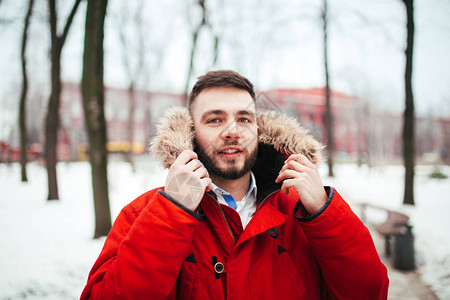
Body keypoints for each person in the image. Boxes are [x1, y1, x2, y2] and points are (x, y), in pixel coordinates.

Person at [81, 70, 389, 300]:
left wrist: (324, 212)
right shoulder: (145, 214)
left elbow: (369, 292)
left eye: (243, 119)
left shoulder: (306, 210)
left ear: (258, 128)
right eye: (214, 120)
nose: (232, 131)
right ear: (190, 132)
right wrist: (172, 212)